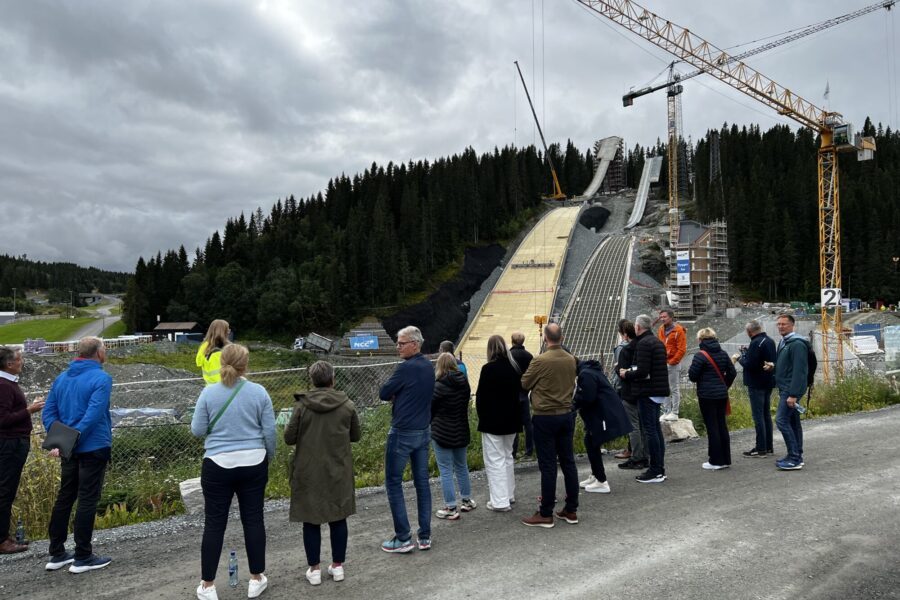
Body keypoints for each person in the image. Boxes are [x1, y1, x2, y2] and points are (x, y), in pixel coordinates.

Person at [191, 344, 275, 600]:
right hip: (253, 462)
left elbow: (197, 430)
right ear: (245, 364)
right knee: (253, 519)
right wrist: (267, 457)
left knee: (214, 524)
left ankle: (207, 585)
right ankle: (256, 578)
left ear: (221, 362)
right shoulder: (259, 392)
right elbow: (270, 432)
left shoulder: (208, 393)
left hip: (217, 464)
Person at [285, 360, 361, 586]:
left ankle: (314, 569)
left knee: (311, 520)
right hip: (338, 468)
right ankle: (338, 566)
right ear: (333, 379)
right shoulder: (347, 405)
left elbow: (289, 438)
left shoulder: (302, 406)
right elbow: (355, 436)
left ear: (312, 380)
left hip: (308, 470)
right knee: (338, 517)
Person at [42, 337, 113, 573]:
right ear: (98, 353)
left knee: (65, 496)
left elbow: (49, 411)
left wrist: (61, 440)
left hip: (68, 449)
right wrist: (75, 437)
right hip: (93, 446)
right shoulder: (101, 378)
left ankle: (57, 552)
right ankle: (83, 556)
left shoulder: (61, 378)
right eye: (104, 349)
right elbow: (94, 414)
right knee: (87, 499)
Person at [378, 325, 434, 553]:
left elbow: (383, 393)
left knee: (393, 483)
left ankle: (403, 538)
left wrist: (397, 395)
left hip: (402, 433)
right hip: (423, 431)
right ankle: (425, 535)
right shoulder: (428, 367)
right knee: (422, 483)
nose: (397, 347)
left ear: (414, 344)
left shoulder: (405, 369)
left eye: (401, 343)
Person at [520, 323, 578, 527]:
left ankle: (545, 513)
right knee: (568, 462)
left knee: (548, 465)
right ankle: (571, 509)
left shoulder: (540, 360)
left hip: (545, 416)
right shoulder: (571, 359)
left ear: (546, 339)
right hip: (566, 414)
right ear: (561, 337)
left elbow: (525, 383)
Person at [0, 346, 44, 554]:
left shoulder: (8, 384)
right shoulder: (4, 386)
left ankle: (5, 536)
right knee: (4, 491)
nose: (22, 362)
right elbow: (3, 419)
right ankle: (2, 540)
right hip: (10, 443)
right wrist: (30, 410)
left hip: (13, 441)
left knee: (6, 490)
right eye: (19, 360)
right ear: (9, 364)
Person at [619, 315, 670, 484]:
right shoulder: (656, 342)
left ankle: (655, 470)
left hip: (648, 391)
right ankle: (659, 468)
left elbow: (642, 372)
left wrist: (627, 373)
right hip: (657, 391)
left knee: (650, 430)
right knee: (655, 430)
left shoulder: (643, 344)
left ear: (638, 327)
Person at [476, 336, 522, 512]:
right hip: (512, 420)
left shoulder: (488, 369)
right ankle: (509, 495)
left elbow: (481, 398)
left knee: (495, 461)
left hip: (492, 422)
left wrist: (483, 417)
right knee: (508, 457)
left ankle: (500, 501)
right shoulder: (513, 368)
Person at [574, 357, 631, 493]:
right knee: (590, 442)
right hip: (604, 412)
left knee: (591, 442)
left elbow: (588, 397)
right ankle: (596, 475)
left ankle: (601, 481)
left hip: (602, 414)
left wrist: (573, 403)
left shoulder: (585, 374)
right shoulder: (590, 370)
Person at [430, 353, 475, 521]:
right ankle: (466, 500)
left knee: (446, 470)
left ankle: (450, 507)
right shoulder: (465, 384)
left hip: (441, 432)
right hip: (461, 429)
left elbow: (431, 410)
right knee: (462, 466)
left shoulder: (437, 386)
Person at [688, 328, 737, 470]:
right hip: (721, 395)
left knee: (712, 427)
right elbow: (732, 372)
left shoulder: (700, 355)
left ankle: (715, 461)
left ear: (700, 340)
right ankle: (726, 459)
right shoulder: (723, 353)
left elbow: (692, 376)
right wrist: (724, 385)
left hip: (707, 396)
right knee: (722, 425)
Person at [771, 314, 808, 471]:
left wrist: (793, 394)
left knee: (781, 420)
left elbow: (799, 371)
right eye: (778, 324)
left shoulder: (797, 344)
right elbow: (789, 366)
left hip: (790, 389)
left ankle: (794, 458)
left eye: (784, 324)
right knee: (793, 422)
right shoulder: (784, 342)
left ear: (792, 325)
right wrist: (774, 367)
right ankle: (796, 454)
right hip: (785, 387)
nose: (781, 327)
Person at [736, 320, 776, 457]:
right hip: (768, 381)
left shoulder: (755, 342)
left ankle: (761, 448)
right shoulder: (769, 340)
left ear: (749, 332)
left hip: (756, 383)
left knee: (758, 416)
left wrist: (740, 358)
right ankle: (768, 446)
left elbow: (750, 365)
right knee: (766, 415)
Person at [614, 320, 648, 471]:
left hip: (628, 391)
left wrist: (618, 369)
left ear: (625, 334)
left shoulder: (624, 349)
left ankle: (636, 457)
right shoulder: (643, 346)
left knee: (633, 426)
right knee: (642, 425)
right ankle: (644, 455)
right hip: (642, 391)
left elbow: (622, 373)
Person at [656, 309, 687, 421]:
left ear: (671, 317)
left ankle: (675, 412)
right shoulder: (661, 329)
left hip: (672, 364)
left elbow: (682, 349)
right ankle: (666, 411)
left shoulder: (678, 330)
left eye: (664, 317)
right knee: (665, 388)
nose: (662, 319)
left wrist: (672, 361)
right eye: (661, 317)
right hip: (663, 363)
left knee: (674, 388)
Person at [509, 332, 534, 459]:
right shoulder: (529, 356)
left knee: (514, 423)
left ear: (512, 341)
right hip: (524, 392)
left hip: (512, 394)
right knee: (527, 423)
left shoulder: (508, 356)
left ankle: (513, 451)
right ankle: (529, 450)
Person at [196, 320, 231, 386]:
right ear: (222, 331)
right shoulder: (217, 352)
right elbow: (219, 375)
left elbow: (199, 363)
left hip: (210, 387)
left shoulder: (205, 346)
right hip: (221, 388)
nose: (229, 331)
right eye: (227, 328)